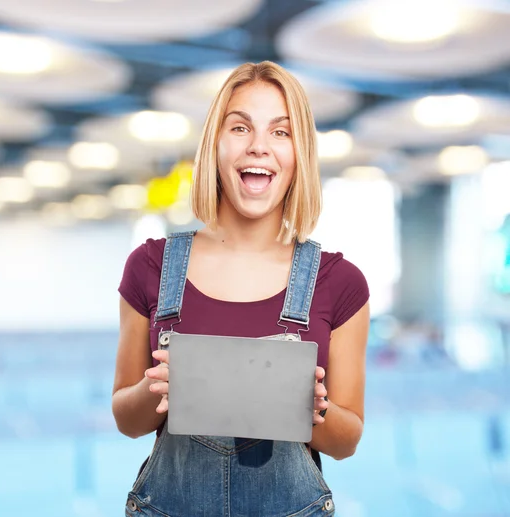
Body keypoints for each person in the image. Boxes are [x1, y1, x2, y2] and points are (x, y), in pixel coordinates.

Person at [112, 61, 370, 517]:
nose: (258, 147)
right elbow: (125, 419)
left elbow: (347, 441)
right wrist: (156, 390)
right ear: (215, 145)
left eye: (280, 132)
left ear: (300, 154)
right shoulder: (149, 267)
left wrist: (312, 410)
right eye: (239, 128)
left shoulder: (341, 283)